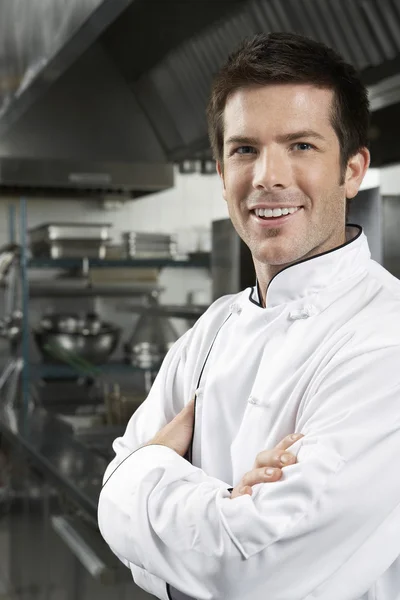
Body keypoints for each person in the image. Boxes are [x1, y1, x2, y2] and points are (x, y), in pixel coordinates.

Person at [98, 32, 400, 600]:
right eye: (244, 150)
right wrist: (222, 513)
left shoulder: (386, 340)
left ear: (353, 170)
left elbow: (253, 573)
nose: (267, 176)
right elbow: (118, 512)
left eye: (302, 146)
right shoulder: (212, 330)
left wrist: (141, 477)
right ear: (221, 173)